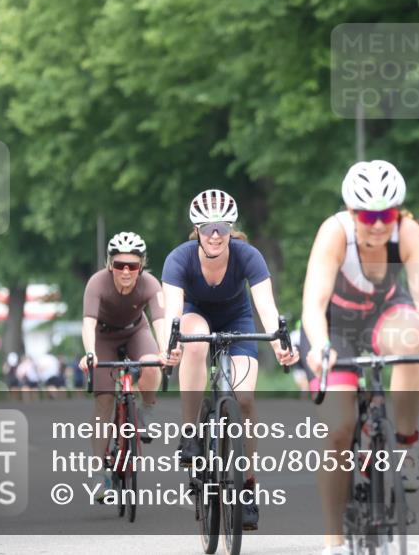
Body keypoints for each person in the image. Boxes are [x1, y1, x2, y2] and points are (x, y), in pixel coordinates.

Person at [301, 160, 419, 555]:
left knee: (413, 340)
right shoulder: (334, 234)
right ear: (353, 213)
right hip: (336, 327)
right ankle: (333, 540)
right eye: (368, 215)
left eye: (386, 214)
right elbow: (313, 303)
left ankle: (404, 446)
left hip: (385, 315)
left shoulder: (408, 232)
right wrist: (320, 346)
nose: (377, 224)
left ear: (397, 212)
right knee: (338, 428)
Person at [162, 189, 298, 531]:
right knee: (193, 343)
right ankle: (191, 432)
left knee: (246, 400)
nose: (215, 234)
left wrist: (280, 343)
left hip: (237, 320)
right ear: (196, 230)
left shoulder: (248, 255)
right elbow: (173, 314)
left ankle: (247, 484)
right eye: (206, 227)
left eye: (222, 226)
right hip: (195, 317)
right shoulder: (178, 259)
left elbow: (266, 307)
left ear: (230, 228)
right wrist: (170, 344)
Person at [78, 231, 180, 502]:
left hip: (136, 331)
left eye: (132, 266)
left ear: (141, 266)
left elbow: (159, 322)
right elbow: (88, 323)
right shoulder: (96, 283)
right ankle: (99, 474)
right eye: (120, 265)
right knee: (103, 402)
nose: (126, 271)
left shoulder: (150, 284)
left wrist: (165, 350)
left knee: (151, 364)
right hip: (104, 336)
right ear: (109, 264)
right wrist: (90, 353)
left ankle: (147, 409)